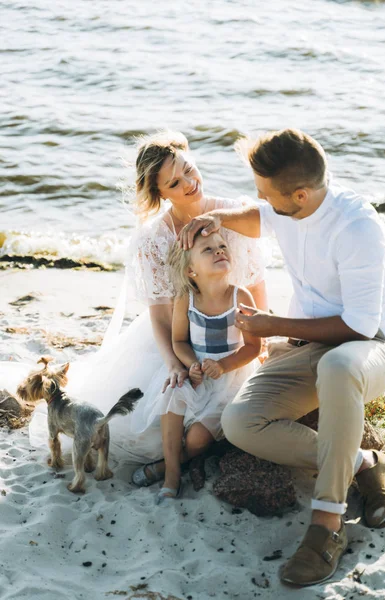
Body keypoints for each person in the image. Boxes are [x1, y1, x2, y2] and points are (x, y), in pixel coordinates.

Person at [179, 128, 385, 587]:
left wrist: (273, 325)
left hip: (369, 347)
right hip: (308, 349)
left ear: (300, 193)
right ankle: (365, 463)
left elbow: (358, 326)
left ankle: (326, 525)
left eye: (266, 192)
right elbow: (260, 216)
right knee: (240, 423)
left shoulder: (357, 228)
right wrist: (215, 218)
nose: (260, 199)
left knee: (338, 367)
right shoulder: (290, 206)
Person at [24, 130, 268, 462]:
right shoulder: (154, 238)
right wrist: (173, 363)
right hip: (177, 335)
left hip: (233, 335)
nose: (188, 183)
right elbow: (162, 314)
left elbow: (255, 285)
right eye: (173, 183)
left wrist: (261, 345)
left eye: (187, 169)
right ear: (160, 193)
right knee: (148, 434)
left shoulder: (235, 212)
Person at [133, 231, 261, 504]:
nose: (219, 251)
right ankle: (171, 476)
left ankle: (172, 462)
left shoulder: (241, 297)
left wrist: (224, 366)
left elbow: (253, 347)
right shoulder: (186, 299)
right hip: (198, 373)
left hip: (230, 376)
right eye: (208, 250)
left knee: (196, 440)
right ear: (192, 271)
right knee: (172, 394)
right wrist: (192, 365)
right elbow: (178, 341)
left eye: (222, 246)